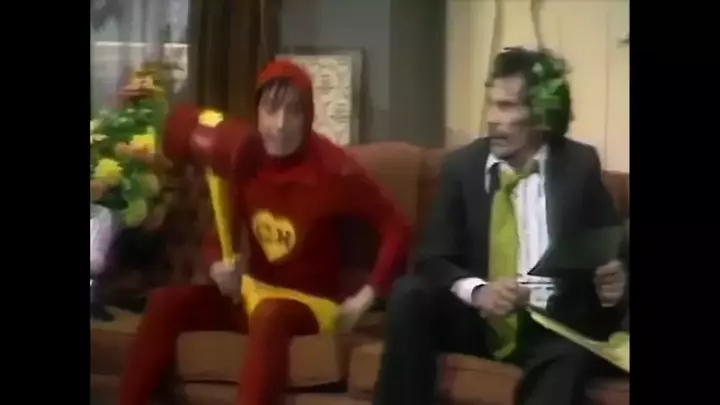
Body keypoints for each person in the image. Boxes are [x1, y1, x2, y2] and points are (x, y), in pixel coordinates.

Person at [118, 60, 412, 405]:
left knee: (270, 315)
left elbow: (398, 226)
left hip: (310, 305)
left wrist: (366, 296)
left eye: (293, 112)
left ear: (308, 116)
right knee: (165, 302)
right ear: (257, 111)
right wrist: (218, 266)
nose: (280, 125)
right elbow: (219, 239)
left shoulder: (335, 170)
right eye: (271, 110)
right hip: (253, 295)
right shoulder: (241, 157)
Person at [372, 47, 628, 405]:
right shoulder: (463, 168)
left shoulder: (578, 165)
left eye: (507, 107)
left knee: (569, 354)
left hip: (549, 323)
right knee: (409, 293)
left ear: (542, 114)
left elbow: (610, 250)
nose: (492, 118)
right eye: (491, 104)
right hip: (477, 321)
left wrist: (615, 278)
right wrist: (480, 292)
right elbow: (432, 260)